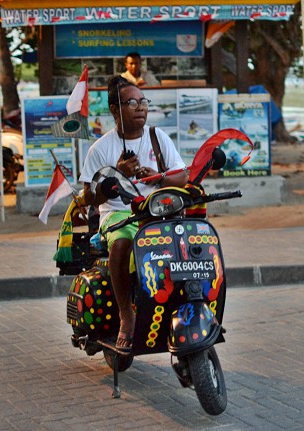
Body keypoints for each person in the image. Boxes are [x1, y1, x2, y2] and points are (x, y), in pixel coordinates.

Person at [79, 76, 187, 352]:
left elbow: (182, 177)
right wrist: (116, 177)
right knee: (124, 243)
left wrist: (160, 177)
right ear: (115, 110)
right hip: (118, 215)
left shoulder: (157, 137)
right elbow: (88, 198)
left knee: (188, 243)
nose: (140, 107)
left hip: (157, 211)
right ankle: (126, 316)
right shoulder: (101, 149)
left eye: (143, 101)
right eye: (132, 102)